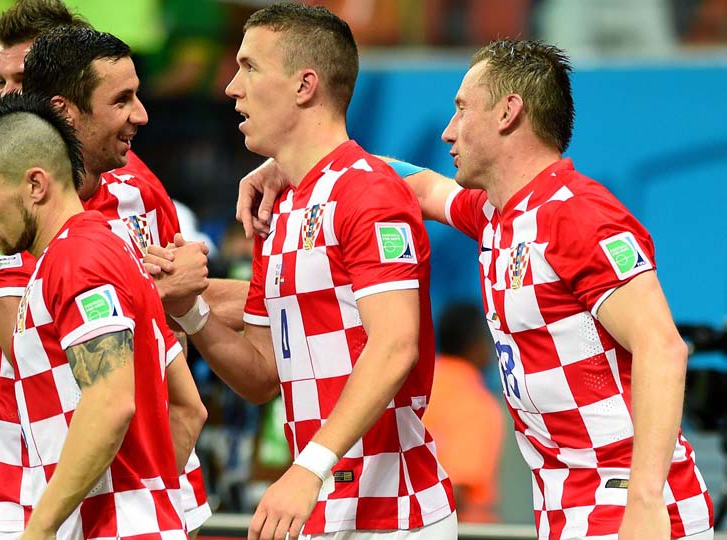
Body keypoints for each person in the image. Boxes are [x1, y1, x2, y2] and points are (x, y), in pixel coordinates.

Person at [236, 38, 714, 540]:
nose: (448, 130)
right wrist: (295, 164)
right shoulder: (497, 215)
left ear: (508, 112)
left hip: (630, 506)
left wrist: (645, 500)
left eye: (462, 109)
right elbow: (419, 185)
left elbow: (663, 347)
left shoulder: (576, 213)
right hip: (570, 506)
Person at [165, 4, 457, 539]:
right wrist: (191, 311)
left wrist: (308, 467)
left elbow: (395, 346)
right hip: (315, 504)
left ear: (305, 85)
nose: (232, 87)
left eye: (250, 67)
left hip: (391, 514)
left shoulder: (370, 192)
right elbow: (261, 375)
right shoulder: (280, 206)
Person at [0, 3, 211, 537]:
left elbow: (159, 364)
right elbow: (27, 345)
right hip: (22, 471)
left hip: (117, 479)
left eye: (23, 83)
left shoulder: (132, 195)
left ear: (62, 96)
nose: (9, 101)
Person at [0, 92, 187, 540]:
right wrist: (146, 501)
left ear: (35, 185)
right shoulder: (108, 249)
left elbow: (110, 402)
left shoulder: (77, 261)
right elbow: (188, 408)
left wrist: (40, 529)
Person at [421, 302, 503, 524]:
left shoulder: (418, 384)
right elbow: (457, 489)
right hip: (459, 528)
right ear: (475, 345)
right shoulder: (474, 401)